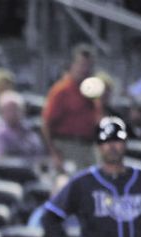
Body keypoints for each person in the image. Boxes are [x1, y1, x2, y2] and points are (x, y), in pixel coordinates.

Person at [41, 43, 100, 175]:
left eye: (89, 65)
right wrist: (54, 155)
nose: (85, 69)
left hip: (88, 147)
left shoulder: (92, 91)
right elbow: (46, 125)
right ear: (72, 65)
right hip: (67, 146)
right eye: (81, 65)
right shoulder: (61, 90)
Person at [0, 90, 47, 162]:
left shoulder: (28, 130)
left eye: (16, 109)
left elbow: (39, 154)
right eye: (9, 110)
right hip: (9, 170)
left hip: (29, 169)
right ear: (2, 112)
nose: (13, 113)